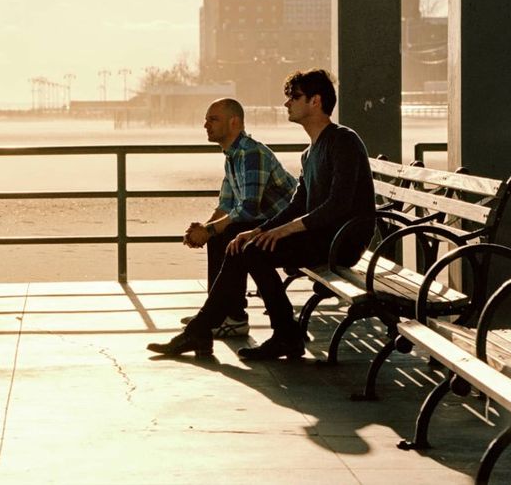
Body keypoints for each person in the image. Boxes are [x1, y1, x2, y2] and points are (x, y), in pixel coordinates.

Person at [149, 69, 375, 359]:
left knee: (253, 252)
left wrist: (283, 230)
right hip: (321, 237)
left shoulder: (343, 141)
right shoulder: (310, 152)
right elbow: (297, 204)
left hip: (342, 242)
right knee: (245, 244)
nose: (287, 103)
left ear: (315, 101)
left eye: (294, 97)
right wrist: (258, 230)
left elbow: (338, 205)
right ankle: (211, 329)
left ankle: (263, 332)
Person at [180, 98, 296, 338]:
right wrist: (205, 229)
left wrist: (209, 230)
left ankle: (231, 316)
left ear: (234, 122)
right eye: (206, 120)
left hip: (287, 230)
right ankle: (217, 313)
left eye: (213, 119)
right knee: (220, 234)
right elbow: (226, 205)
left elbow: (248, 209)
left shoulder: (252, 153)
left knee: (229, 234)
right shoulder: (233, 155)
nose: (206, 125)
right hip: (267, 226)